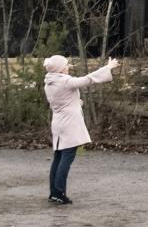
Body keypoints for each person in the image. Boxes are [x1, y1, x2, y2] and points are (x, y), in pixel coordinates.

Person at [43, 54, 119, 205]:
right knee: (66, 158)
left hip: (58, 123)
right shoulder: (65, 81)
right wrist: (108, 68)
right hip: (69, 124)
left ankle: (54, 192)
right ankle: (59, 193)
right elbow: (88, 79)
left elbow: (63, 101)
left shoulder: (49, 82)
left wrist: (76, 103)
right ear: (59, 68)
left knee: (58, 157)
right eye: (65, 65)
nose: (68, 67)